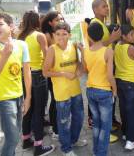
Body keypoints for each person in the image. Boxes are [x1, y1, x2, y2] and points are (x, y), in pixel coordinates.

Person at [0, 13, 31, 156]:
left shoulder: (22, 45)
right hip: (2, 99)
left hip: (19, 96)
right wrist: (4, 56)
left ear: (11, 26)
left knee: (15, 135)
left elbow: (27, 73)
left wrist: (28, 98)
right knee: (12, 139)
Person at [43, 22, 86, 156]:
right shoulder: (52, 50)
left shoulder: (73, 46)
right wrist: (63, 74)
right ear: (54, 36)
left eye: (64, 34)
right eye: (58, 34)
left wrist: (79, 68)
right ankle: (66, 148)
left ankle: (73, 140)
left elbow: (79, 64)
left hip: (76, 91)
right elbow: (45, 72)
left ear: (69, 35)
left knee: (79, 118)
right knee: (64, 122)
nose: (61, 37)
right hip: (62, 94)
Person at [18, 11, 55, 155]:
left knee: (28, 108)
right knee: (39, 111)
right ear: (36, 21)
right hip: (38, 76)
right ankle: (39, 147)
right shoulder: (39, 36)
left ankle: (26, 140)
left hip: (24, 75)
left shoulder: (19, 36)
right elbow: (47, 56)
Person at [81, 22, 117, 156]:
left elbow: (85, 70)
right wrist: (115, 90)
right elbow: (109, 75)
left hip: (90, 90)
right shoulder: (108, 51)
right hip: (104, 92)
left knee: (96, 124)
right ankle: (100, 153)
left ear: (89, 37)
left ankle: (96, 151)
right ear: (103, 35)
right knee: (105, 126)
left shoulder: (86, 51)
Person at [90, 0, 121, 142]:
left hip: (106, 63)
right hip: (102, 68)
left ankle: (107, 127)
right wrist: (113, 38)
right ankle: (104, 134)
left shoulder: (101, 23)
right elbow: (94, 45)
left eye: (107, 6)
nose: (107, 8)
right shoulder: (95, 24)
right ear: (95, 10)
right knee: (104, 105)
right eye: (103, 7)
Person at [41, 11, 64, 139]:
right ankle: (56, 130)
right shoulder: (47, 36)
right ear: (50, 22)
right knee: (55, 100)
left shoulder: (56, 33)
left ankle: (58, 126)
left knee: (57, 99)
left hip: (58, 72)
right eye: (57, 19)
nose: (60, 20)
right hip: (52, 73)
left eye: (61, 18)